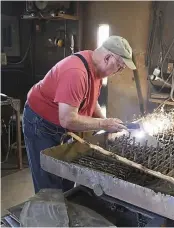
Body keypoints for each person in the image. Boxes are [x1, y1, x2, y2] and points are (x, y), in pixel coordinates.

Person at [22, 36, 136, 193]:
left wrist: (104, 122)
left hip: (62, 124)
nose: (119, 71)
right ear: (108, 58)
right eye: (120, 66)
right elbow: (67, 120)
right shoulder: (76, 73)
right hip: (41, 123)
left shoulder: (95, 68)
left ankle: (65, 208)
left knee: (67, 176)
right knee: (48, 182)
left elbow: (90, 99)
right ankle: (48, 214)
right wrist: (104, 124)